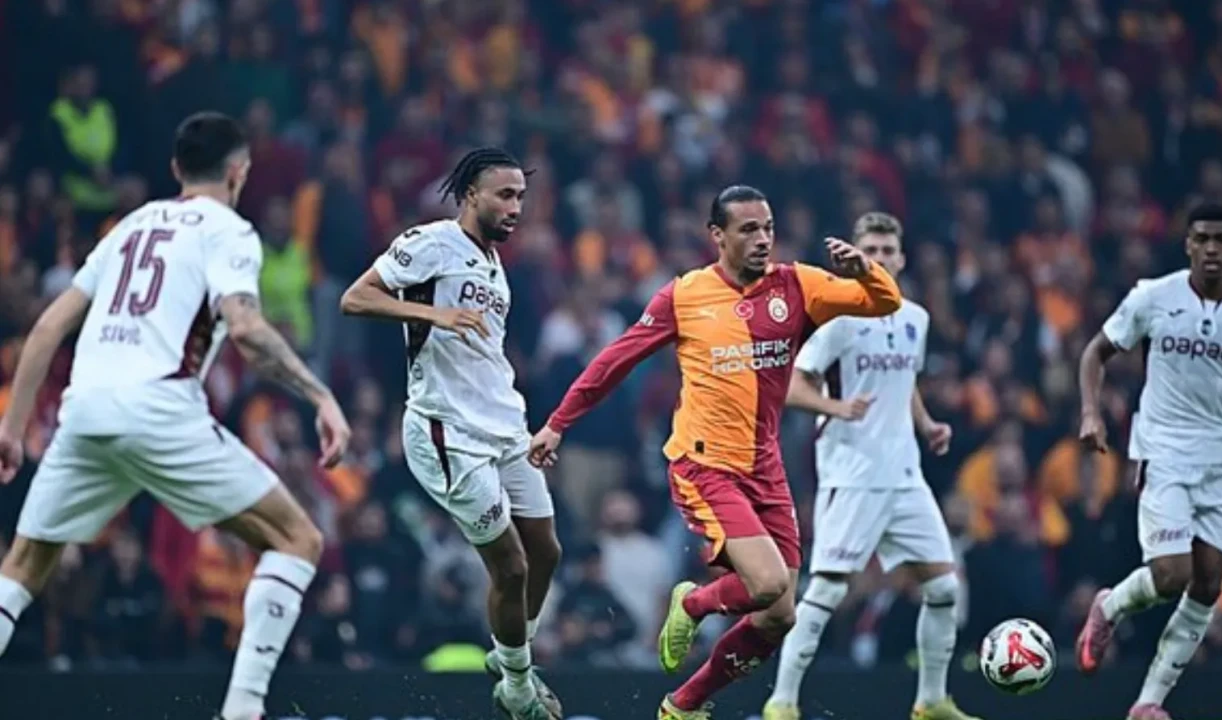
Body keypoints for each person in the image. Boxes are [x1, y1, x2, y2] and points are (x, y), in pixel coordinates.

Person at [0, 111, 351, 720]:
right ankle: (243, 709)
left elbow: (49, 326)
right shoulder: (230, 230)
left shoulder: (130, 225)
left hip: (86, 410)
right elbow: (246, 328)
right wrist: (320, 395)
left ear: (175, 169)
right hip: (159, 405)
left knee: (23, 568)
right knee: (297, 539)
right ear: (238, 172)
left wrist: (11, 431)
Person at [527, 185, 903, 720]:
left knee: (779, 615)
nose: (763, 239)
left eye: (768, 227)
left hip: (765, 467)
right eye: (748, 229)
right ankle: (693, 602)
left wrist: (865, 269)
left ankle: (683, 705)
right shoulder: (684, 295)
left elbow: (884, 302)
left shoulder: (798, 284)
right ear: (717, 236)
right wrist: (557, 423)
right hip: (704, 465)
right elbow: (615, 360)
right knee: (767, 584)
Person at [339, 147, 562, 720]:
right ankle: (517, 687)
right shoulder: (431, 242)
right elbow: (355, 298)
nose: (516, 207)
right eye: (505, 195)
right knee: (511, 566)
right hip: (446, 430)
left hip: (505, 427)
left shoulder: (495, 264)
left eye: (521, 197)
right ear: (470, 195)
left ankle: (509, 654)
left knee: (546, 551)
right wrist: (433, 315)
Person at [762, 212, 977, 720]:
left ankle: (931, 701)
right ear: (852, 259)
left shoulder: (915, 318)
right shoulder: (839, 320)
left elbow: (905, 382)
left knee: (944, 588)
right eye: (870, 251)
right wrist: (836, 408)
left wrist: (927, 424)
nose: (879, 259)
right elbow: (791, 385)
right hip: (852, 474)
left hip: (904, 476)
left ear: (901, 258)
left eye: (887, 251)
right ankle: (782, 701)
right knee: (827, 590)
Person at [1076, 202, 1222, 720]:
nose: (1211, 248)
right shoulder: (1153, 297)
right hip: (1165, 450)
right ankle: (1109, 607)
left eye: (1221, 239)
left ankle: (1148, 703)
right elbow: (1095, 352)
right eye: (1202, 238)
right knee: (1171, 575)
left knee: (1209, 583)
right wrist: (1091, 414)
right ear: (1188, 244)